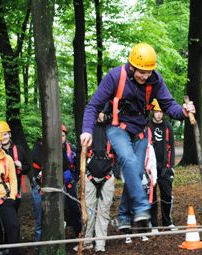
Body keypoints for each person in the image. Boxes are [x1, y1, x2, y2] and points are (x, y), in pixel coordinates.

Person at [80, 42, 195, 231]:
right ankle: (142, 207)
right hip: (117, 127)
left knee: (138, 173)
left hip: (140, 130)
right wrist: (87, 129)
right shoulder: (115, 77)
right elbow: (93, 106)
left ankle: (124, 216)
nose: (145, 76)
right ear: (132, 65)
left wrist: (183, 111)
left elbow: (169, 105)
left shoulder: (155, 80)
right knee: (128, 160)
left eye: (148, 72)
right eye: (141, 71)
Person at [31, 125, 82, 242]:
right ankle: (39, 245)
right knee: (41, 217)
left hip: (65, 183)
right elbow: (37, 162)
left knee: (73, 209)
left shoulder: (70, 149)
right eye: (58, 135)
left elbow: (72, 165)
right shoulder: (39, 146)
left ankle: (77, 235)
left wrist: (73, 177)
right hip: (42, 186)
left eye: (63, 136)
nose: (60, 138)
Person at [80, 116, 115, 252]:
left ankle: (100, 243)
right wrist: (83, 173)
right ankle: (87, 241)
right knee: (88, 209)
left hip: (108, 175)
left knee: (104, 210)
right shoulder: (88, 129)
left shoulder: (112, 130)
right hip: (90, 175)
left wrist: (115, 171)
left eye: (104, 111)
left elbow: (120, 151)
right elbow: (80, 151)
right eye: (99, 111)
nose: (101, 114)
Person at [147, 99, 177, 232]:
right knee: (151, 197)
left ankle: (167, 222)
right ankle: (153, 224)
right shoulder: (147, 126)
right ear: (153, 112)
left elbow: (171, 147)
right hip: (151, 168)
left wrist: (171, 166)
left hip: (165, 167)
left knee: (167, 195)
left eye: (161, 112)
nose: (158, 114)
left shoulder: (167, 126)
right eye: (156, 112)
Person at [0, 121, 31, 212]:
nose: (3, 137)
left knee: (13, 213)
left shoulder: (19, 149)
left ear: (9, 134)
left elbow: (28, 167)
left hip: (16, 189)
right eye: (1, 135)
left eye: (5, 134)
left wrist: (21, 166)